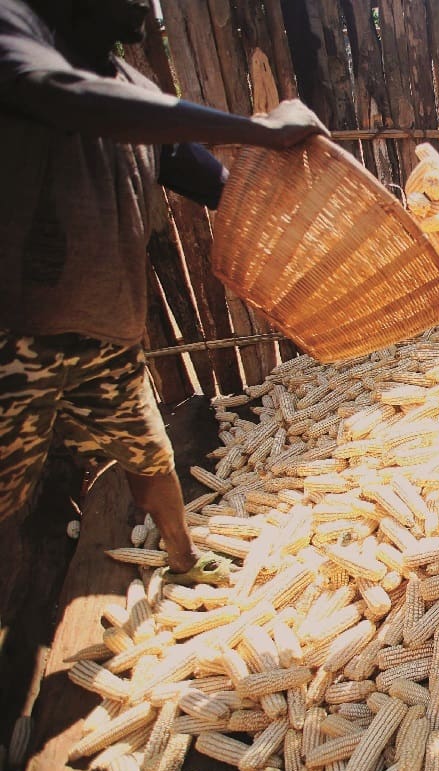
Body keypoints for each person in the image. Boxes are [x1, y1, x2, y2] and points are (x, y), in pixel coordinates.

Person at [0, 0, 328, 583]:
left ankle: (182, 559)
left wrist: (307, 234)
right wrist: (257, 130)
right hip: (17, 338)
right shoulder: (16, 30)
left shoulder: (132, 85)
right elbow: (63, 95)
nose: (149, 8)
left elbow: (211, 181)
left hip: (107, 332)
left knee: (151, 457)